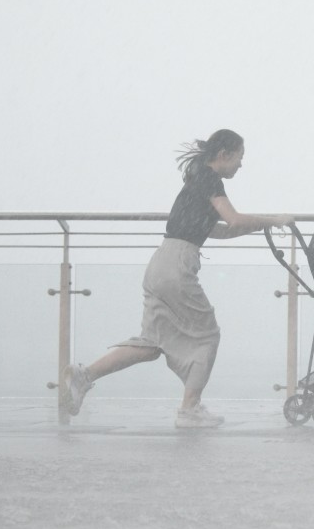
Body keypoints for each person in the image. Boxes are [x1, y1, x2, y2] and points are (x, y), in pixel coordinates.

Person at [61, 129, 294, 428]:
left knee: (151, 344)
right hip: (177, 267)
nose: (240, 165)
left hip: (161, 262)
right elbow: (234, 219)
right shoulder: (211, 179)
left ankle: (85, 375)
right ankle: (189, 410)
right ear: (224, 154)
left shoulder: (196, 178)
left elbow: (220, 231)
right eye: (240, 158)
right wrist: (275, 220)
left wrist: (261, 227)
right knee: (207, 335)